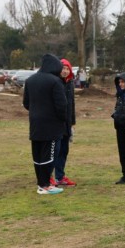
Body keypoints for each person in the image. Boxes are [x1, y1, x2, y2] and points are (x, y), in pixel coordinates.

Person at [23, 54, 68, 195]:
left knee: (37, 155)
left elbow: (26, 103)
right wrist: (63, 120)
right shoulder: (55, 82)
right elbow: (62, 105)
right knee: (49, 155)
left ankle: (41, 184)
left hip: (35, 124)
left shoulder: (30, 80)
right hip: (51, 126)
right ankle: (46, 185)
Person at [52, 58, 77, 187]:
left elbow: (71, 104)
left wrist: (72, 122)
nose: (65, 71)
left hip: (67, 124)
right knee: (55, 151)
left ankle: (60, 176)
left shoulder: (70, 83)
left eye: (67, 69)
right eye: (63, 68)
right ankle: (50, 177)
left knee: (64, 151)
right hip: (56, 124)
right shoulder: (55, 82)